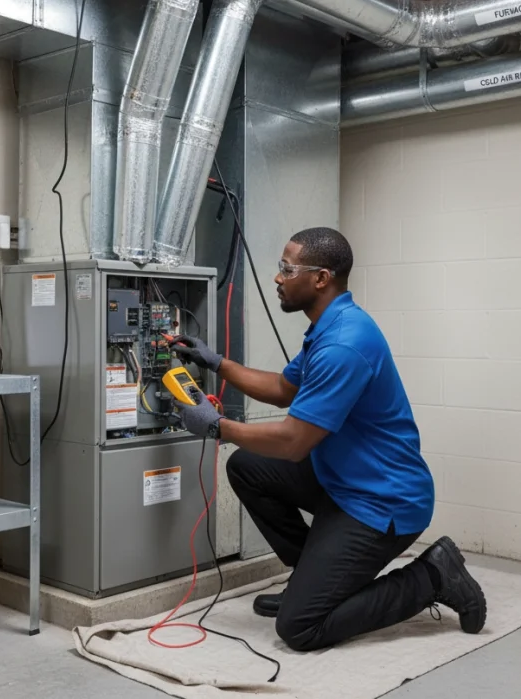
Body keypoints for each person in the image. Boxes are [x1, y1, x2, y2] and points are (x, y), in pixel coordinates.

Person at [170, 227, 486, 653]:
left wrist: (216, 427)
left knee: (299, 627)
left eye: (287, 268)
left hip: (382, 502)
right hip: (343, 481)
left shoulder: (343, 343)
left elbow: (293, 442)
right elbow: (284, 388)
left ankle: (433, 576)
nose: (278, 278)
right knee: (246, 466)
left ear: (321, 278)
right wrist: (216, 362)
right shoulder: (330, 325)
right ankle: (312, 579)